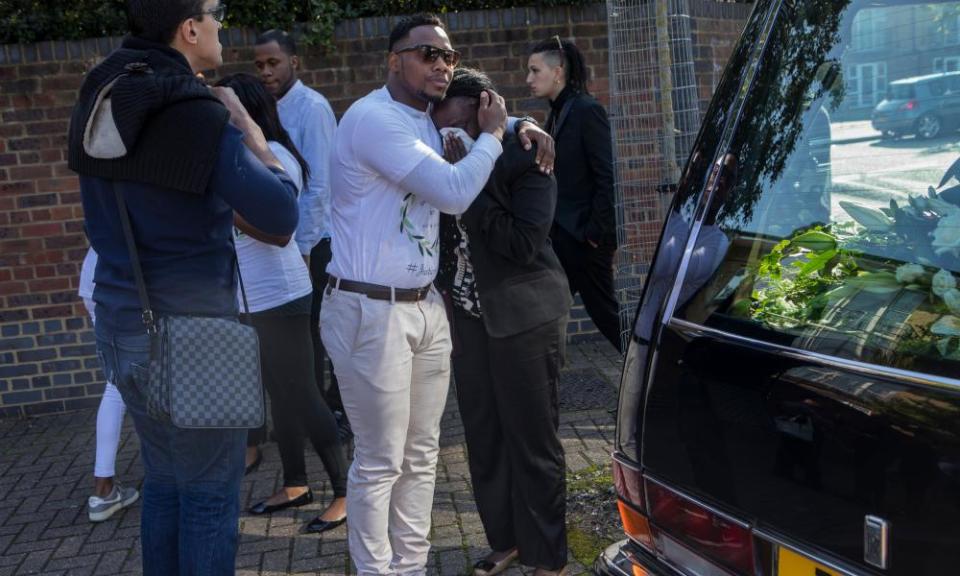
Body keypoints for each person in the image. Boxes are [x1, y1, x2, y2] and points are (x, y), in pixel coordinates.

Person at [68, 1, 299, 573]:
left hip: (119, 319)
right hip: (196, 332)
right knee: (208, 496)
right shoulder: (196, 114)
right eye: (216, 13)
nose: (223, 24)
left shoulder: (100, 93)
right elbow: (281, 214)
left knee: (167, 481)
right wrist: (248, 128)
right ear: (189, 28)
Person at [320, 12, 512, 575]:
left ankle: (411, 568)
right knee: (381, 462)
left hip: (425, 307)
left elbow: (472, 118)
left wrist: (523, 123)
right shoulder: (373, 119)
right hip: (368, 308)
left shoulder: (427, 121)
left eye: (448, 56)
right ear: (393, 59)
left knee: (421, 457)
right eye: (428, 53)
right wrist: (499, 137)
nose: (442, 64)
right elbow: (453, 192)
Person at [433, 67, 573, 576]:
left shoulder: (528, 152)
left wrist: (467, 186)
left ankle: (548, 557)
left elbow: (520, 243)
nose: (440, 124)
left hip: (525, 316)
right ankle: (507, 539)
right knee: (485, 437)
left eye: (451, 113)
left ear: (482, 107)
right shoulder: (445, 151)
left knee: (532, 442)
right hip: (469, 321)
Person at [215, 72, 348, 534]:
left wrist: (223, 211)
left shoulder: (279, 160)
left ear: (245, 112)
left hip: (283, 296)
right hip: (250, 300)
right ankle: (295, 485)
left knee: (305, 396)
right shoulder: (236, 158)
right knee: (279, 397)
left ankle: (346, 491)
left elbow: (280, 230)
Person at [252, 30, 348, 439]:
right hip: (291, 244)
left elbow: (319, 187)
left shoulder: (311, 108)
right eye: (259, 65)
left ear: (295, 63)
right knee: (301, 336)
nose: (266, 71)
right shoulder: (268, 108)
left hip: (316, 243)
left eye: (273, 63)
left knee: (320, 334)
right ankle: (311, 415)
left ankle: (331, 415)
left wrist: (306, 249)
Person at [527, 37, 622, 353]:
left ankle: (653, 374)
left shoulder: (586, 110)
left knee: (608, 317)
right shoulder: (558, 112)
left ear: (559, 71)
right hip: (565, 237)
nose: (529, 79)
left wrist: (595, 234)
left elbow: (606, 176)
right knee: (549, 312)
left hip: (584, 239)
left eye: (534, 70)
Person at [79, 247, 140, 523]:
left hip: (96, 276)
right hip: (125, 279)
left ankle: (103, 489)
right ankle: (177, 476)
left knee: (116, 386)